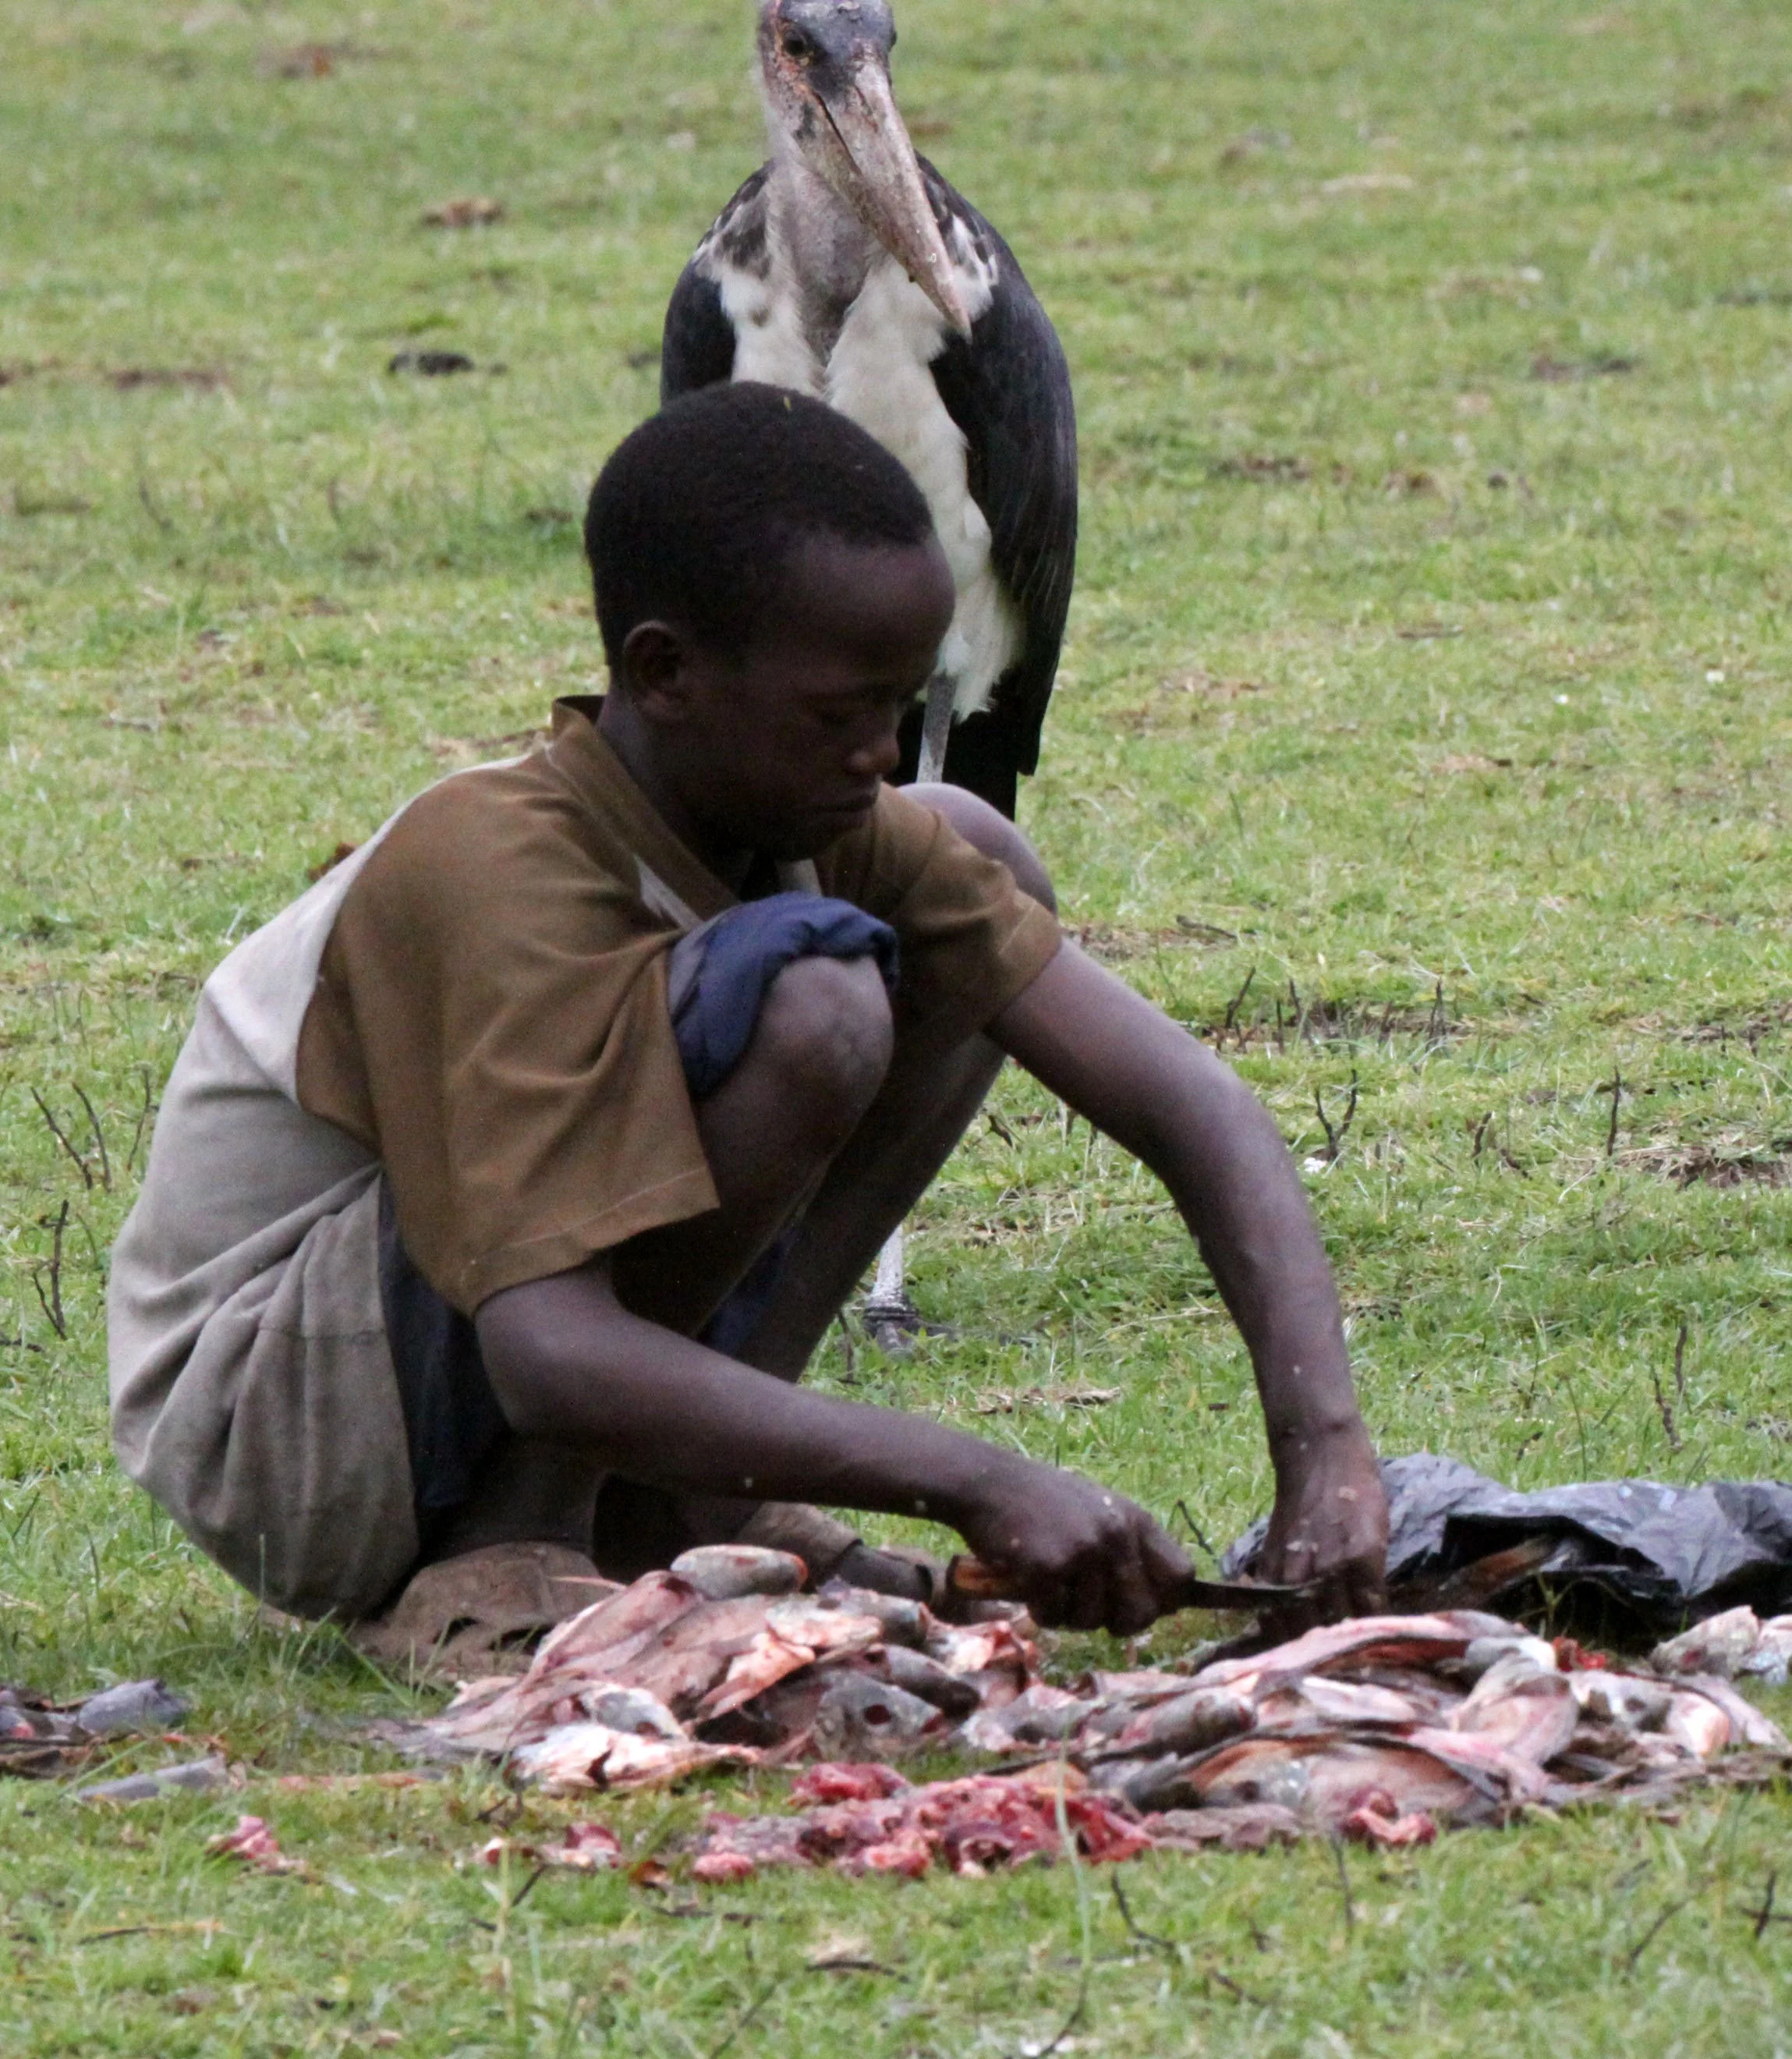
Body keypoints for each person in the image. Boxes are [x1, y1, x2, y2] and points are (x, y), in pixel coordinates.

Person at [108, 383, 1386, 1662]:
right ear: (663, 672)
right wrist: (983, 1478)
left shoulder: (796, 812)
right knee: (811, 996)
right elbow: (551, 1355)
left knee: (973, 854)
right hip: (285, 1418)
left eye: (899, 706)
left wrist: (1323, 1450)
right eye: (840, 716)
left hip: (449, 1357)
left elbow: (1188, 1104)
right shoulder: (489, 866)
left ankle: (679, 1501)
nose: (882, 754)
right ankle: (508, 1551)